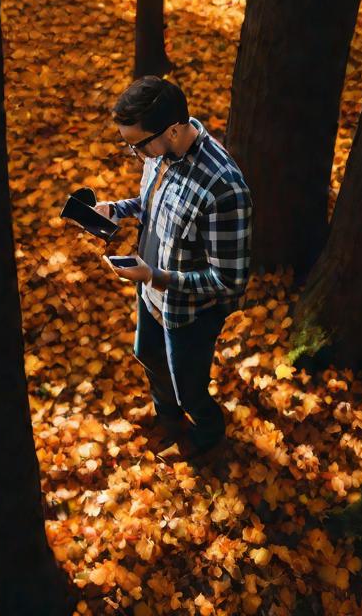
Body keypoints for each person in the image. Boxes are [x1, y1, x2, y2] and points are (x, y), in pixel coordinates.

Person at [96, 76, 251, 462]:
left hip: (189, 312)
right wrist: (116, 208)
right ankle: (167, 418)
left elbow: (229, 281)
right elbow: (154, 201)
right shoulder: (158, 151)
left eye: (138, 144)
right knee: (145, 353)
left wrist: (155, 276)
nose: (137, 155)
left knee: (189, 387)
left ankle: (208, 432)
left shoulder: (224, 189)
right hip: (150, 291)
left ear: (174, 130)